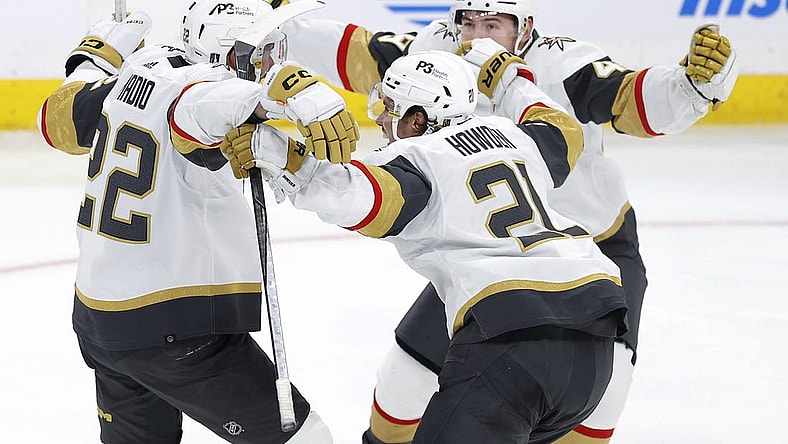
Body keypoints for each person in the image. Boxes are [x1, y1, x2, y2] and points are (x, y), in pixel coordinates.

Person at [271, 0, 738, 441]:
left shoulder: (562, 64)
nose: (477, 38)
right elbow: (357, 52)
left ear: (525, 29)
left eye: (492, 26)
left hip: (590, 250)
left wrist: (690, 87)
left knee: (608, 385)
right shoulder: (436, 56)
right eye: (469, 23)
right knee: (405, 372)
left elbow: (631, 100)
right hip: (487, 260)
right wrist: (271, 23)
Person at [222, 49, 629, 444]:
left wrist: (292, 162)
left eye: (391, 108)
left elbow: (366, 199)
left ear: (418, 120)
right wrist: (509, 80)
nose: (380, 118)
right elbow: (561, 126)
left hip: (512, 343)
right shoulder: (516, 137)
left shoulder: (419, 155)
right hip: (595, 344)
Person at [36, 0, 359, 442]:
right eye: (264, 53)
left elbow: (56, 118)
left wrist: (94, 55)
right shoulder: (201, 90)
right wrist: (285, 94)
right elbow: (214, 102)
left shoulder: (133, 75)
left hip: (100, 321)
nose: (272, 62)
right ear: (229, 52)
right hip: (175, 329)